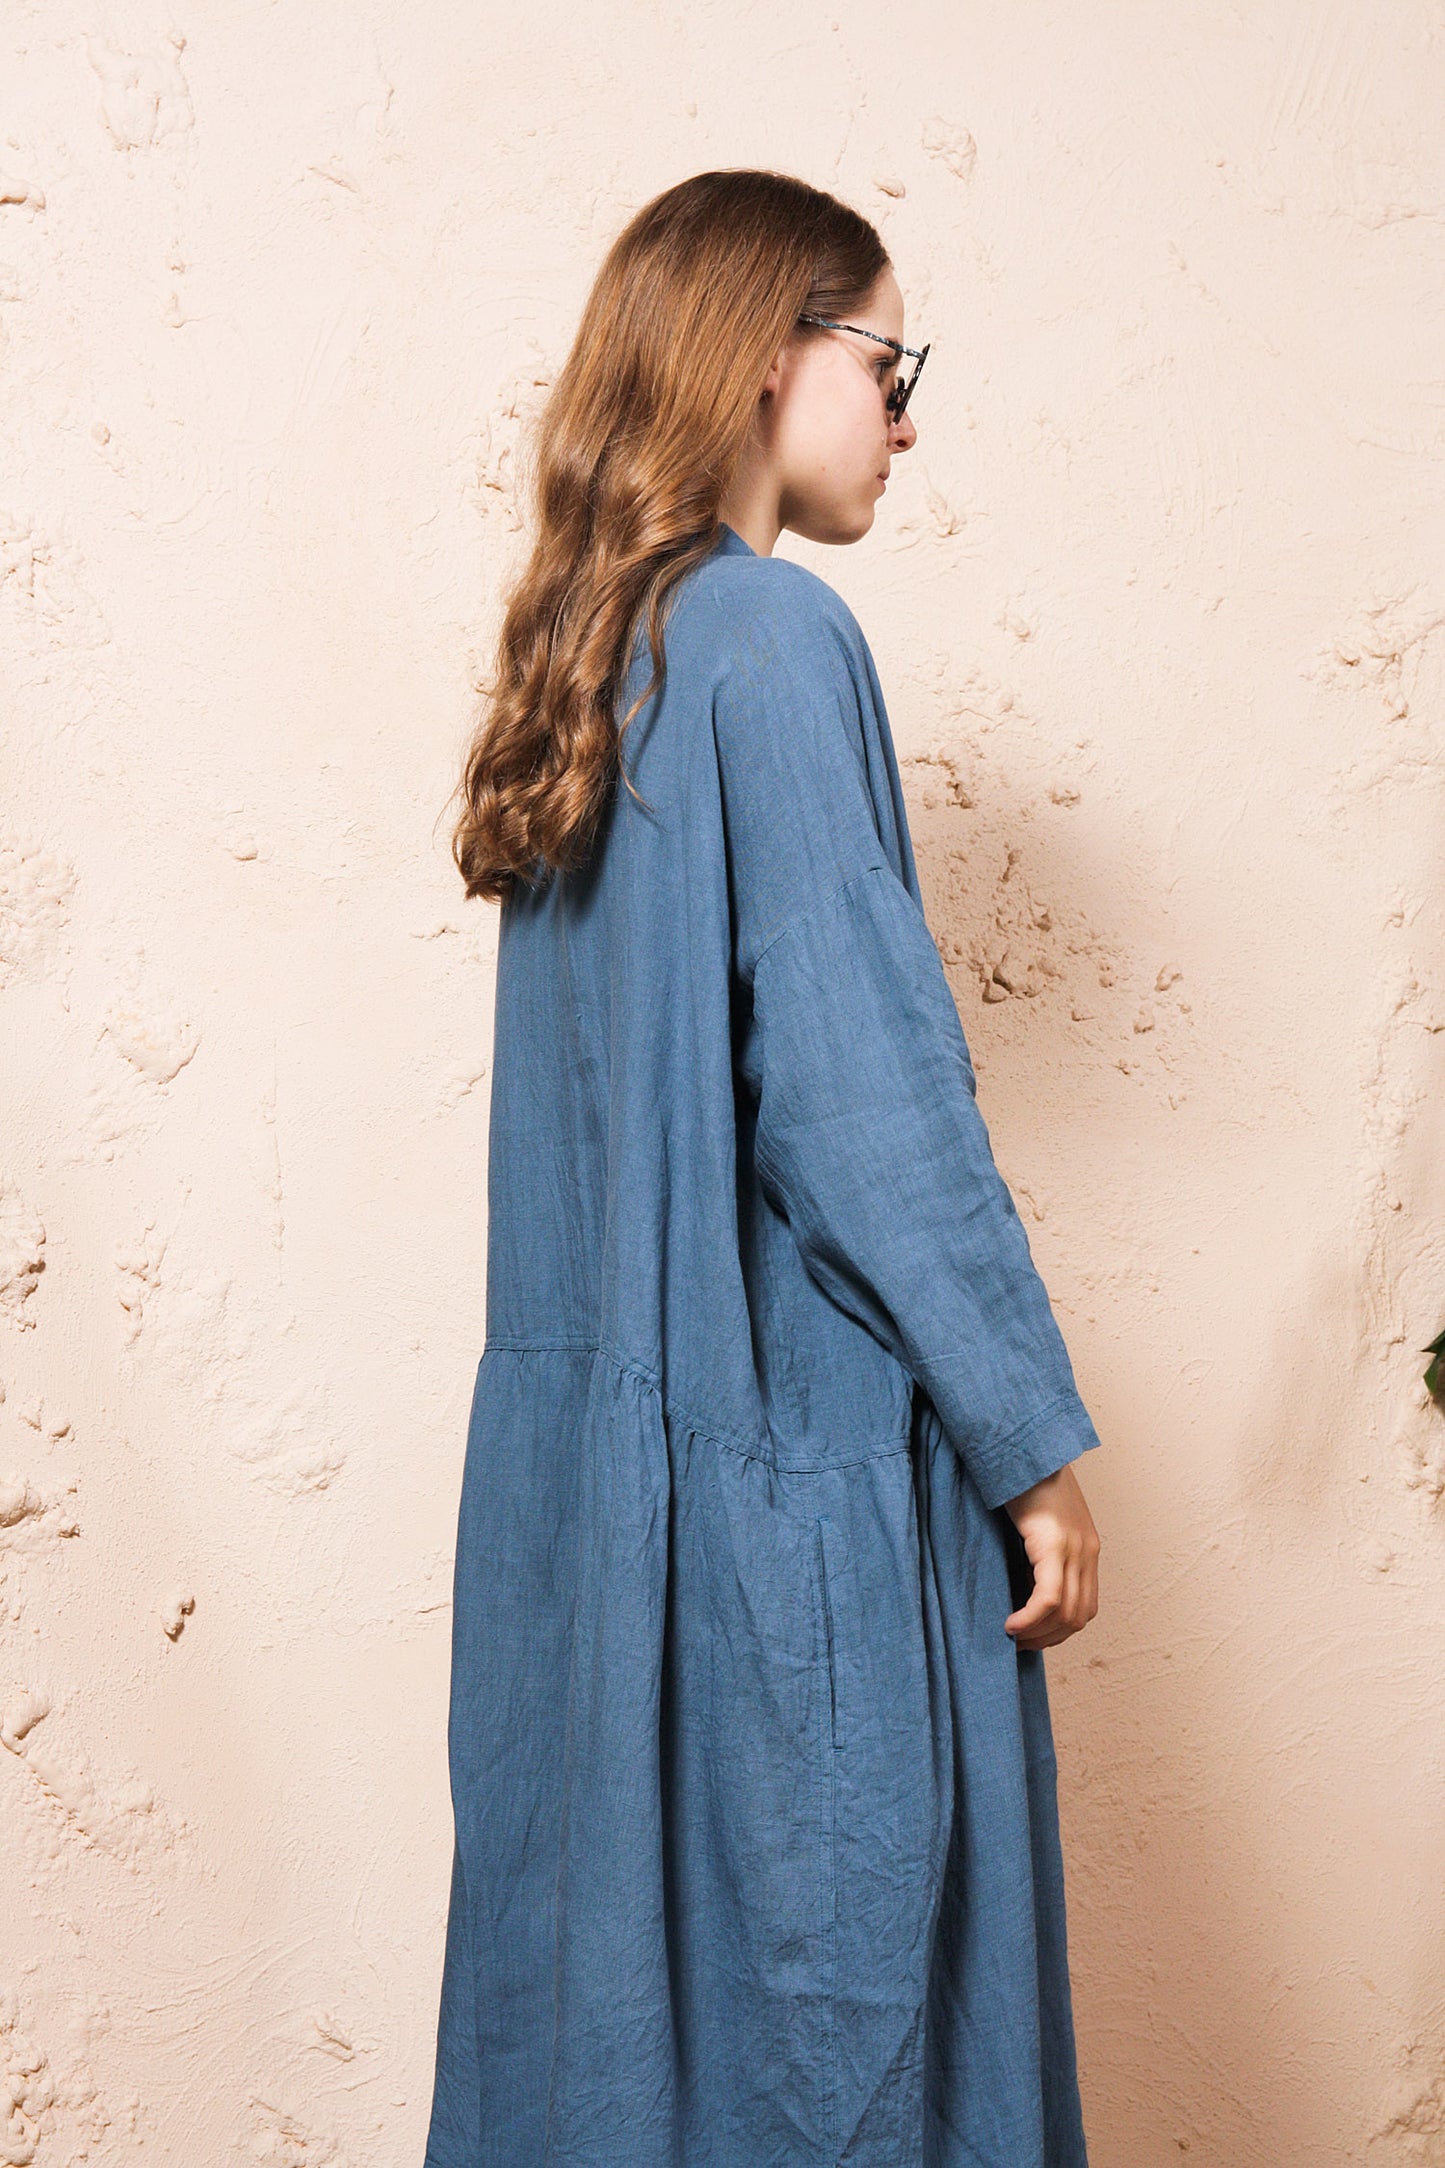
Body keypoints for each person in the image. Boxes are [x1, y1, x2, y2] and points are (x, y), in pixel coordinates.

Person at [423, 167, 1104, 2168]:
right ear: (763, 355)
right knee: (839, 2038)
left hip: (576, 1524)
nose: (907, 419)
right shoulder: (772, 641)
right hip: (778, 1483)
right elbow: (862, 1095)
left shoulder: (592, 658)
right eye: (889, 364)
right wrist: (1030, 1442)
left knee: (615, 2041)